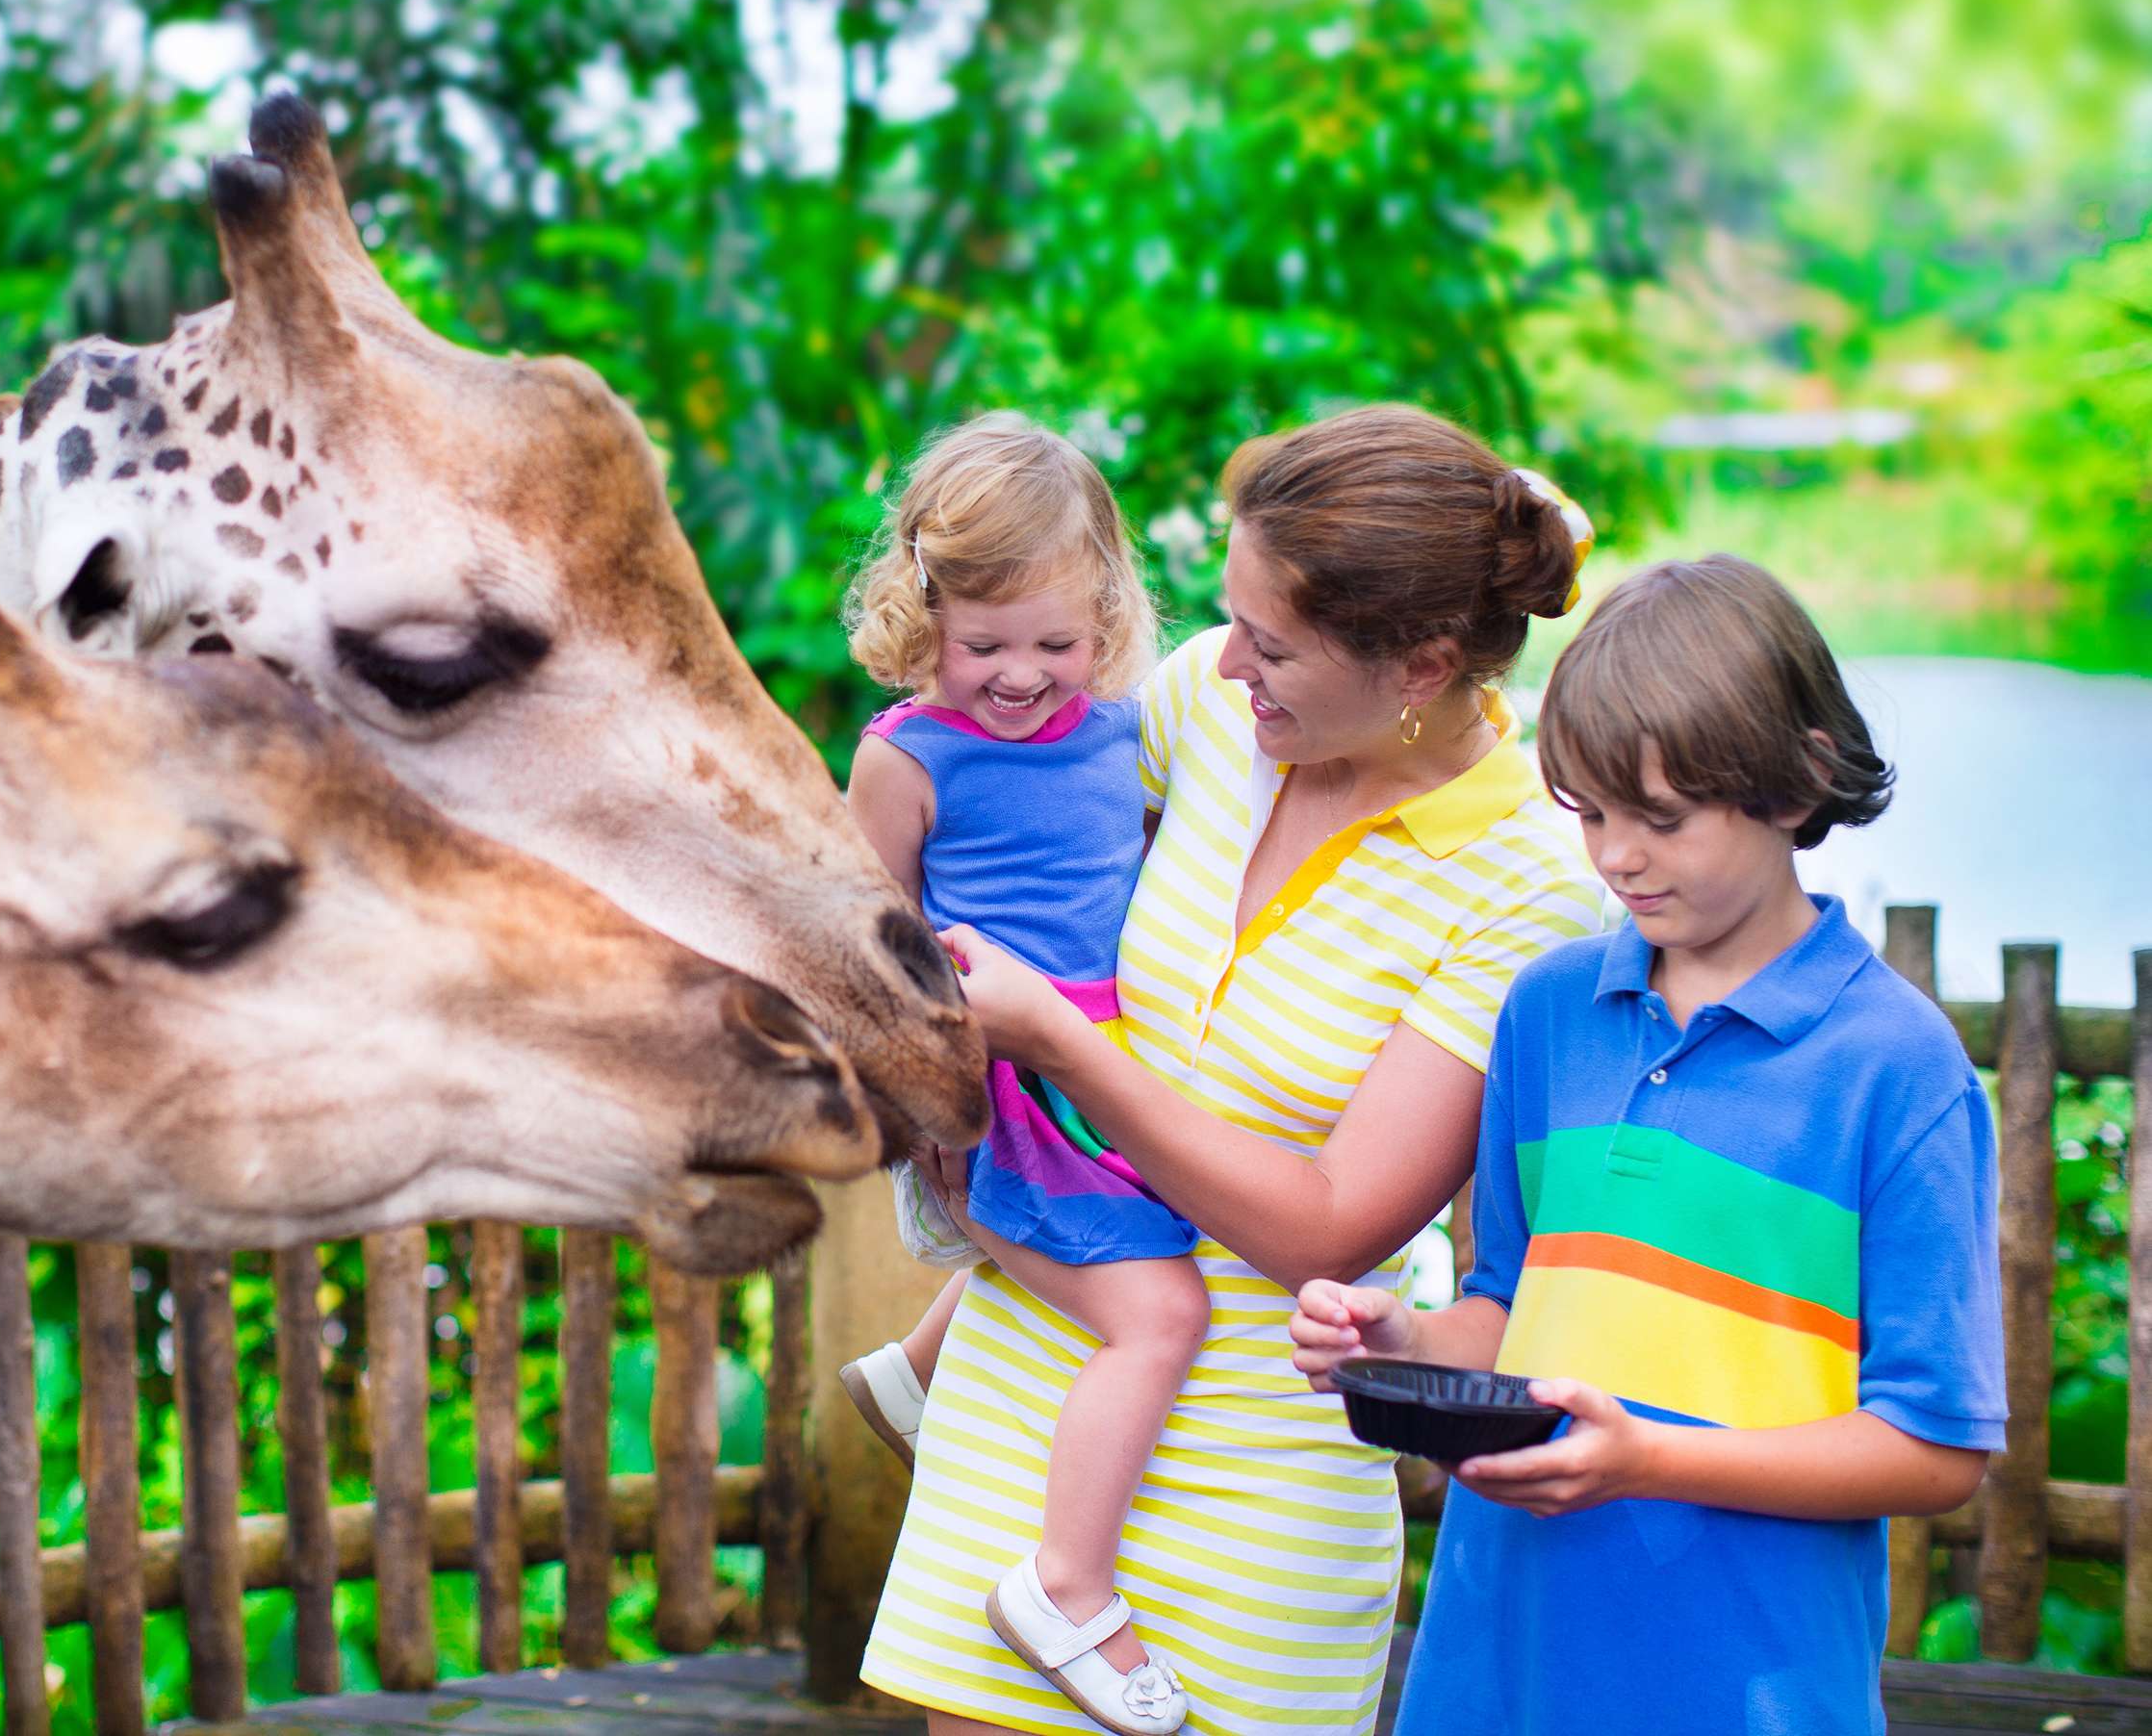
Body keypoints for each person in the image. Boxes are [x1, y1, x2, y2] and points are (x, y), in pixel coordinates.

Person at [860, 403, 1604, 1736]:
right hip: (1031, 1391)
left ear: (1424, 665)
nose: (1226, 666)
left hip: (1262, 1462)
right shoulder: (1208, 705)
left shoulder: (1525, 882)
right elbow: (1021, 825)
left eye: (1272, 647)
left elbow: (1329, 1224)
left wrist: (1057, 1044)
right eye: (1231, 623)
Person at [1288, 554, 2005, 1736]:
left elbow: (1934, 1447)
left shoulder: (1896, 1066)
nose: (1615, 856)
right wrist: (1407, 1340)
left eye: (1659, 818)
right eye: (1590, 813)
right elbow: (1509, 1309)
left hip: (1745, 1683)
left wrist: (1650, 1460)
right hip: (1498, 1658)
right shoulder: (1549, 1011)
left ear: (1796, 784)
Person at [836, 412, 1203, 1735]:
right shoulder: (909, 755)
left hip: (1095, 1064)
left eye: (1055, 644)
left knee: (1156, 1242)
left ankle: (917, 1375)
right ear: (916, 612)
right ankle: (1066, 1586)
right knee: (1159, 1317)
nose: (1018, 677)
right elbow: (862, 940)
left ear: (1102, 615)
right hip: (1006, 1082)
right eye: (982, 646)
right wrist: (923, 1100)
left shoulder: (1116, 730)